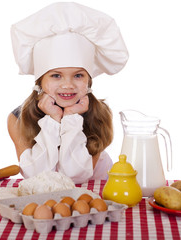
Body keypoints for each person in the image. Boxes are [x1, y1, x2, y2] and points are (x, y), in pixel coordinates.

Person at [7, 2, 128, 184]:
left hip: (96, 195)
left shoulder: (99, 115)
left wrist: (71, 118)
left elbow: (74, 177)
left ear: (89, 80)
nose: (68, 85)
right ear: (40, 80)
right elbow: (37, 178)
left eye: (78, 75)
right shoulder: (17, 119)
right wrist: (54, 120)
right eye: (56, 75)